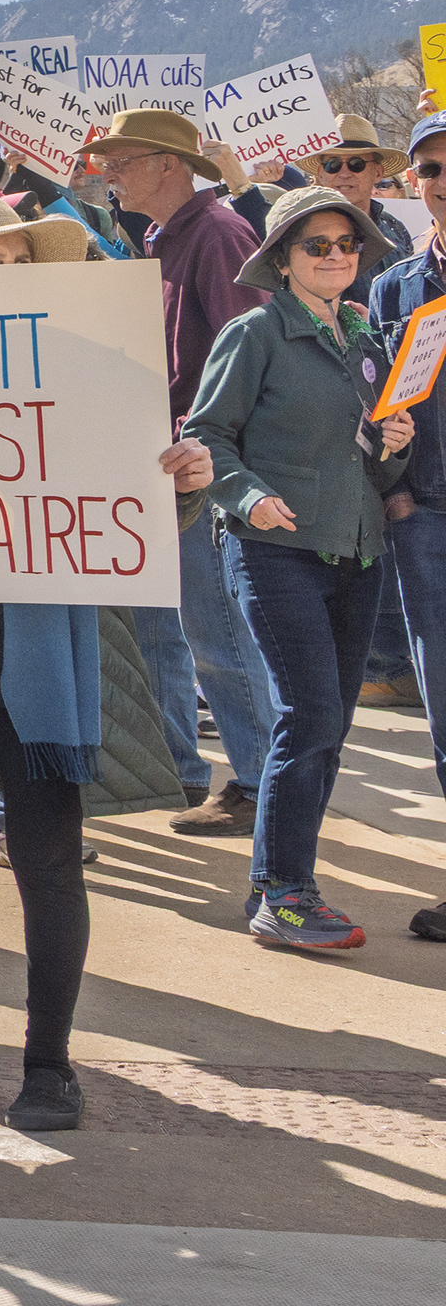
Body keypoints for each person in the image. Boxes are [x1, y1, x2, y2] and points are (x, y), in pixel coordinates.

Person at [0, 193, 218, 1127]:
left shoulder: (86, 377)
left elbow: (128, 513)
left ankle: (50, 1066)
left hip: (41, 662)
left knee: (51, 863)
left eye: (22, 263)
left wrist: (176, 483)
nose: (10, 278)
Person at [190, 185, 411, 953]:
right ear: (282, 260)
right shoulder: (256, 333)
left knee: (330, 724)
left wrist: (395, 441)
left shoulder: (365, 339)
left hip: (358, 550)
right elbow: (206, 436)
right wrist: (249, 498)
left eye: (347, 244)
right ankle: (285, 894)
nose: (336, 256)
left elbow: (376, 461)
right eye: (316, 244)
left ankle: (277, 877)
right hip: (274, 551)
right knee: (309, 714)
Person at [89, 105, 284, 829]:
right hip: (176, 463)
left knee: (217, 633)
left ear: (168, 164)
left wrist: (221, 460)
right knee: (172, 629)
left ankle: (264, 782)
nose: (108, 172)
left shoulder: (218, 234)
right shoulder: (169, 236)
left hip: (204, 469)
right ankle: (180, 766)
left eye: (122, 160)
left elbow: (252, 357)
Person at [368, 108, 446, 941]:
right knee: (445, 709)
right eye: (431, 169)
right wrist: (397, 495)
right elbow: (387, 398)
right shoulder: (393, 284)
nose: (444, 182)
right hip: (428, 521)